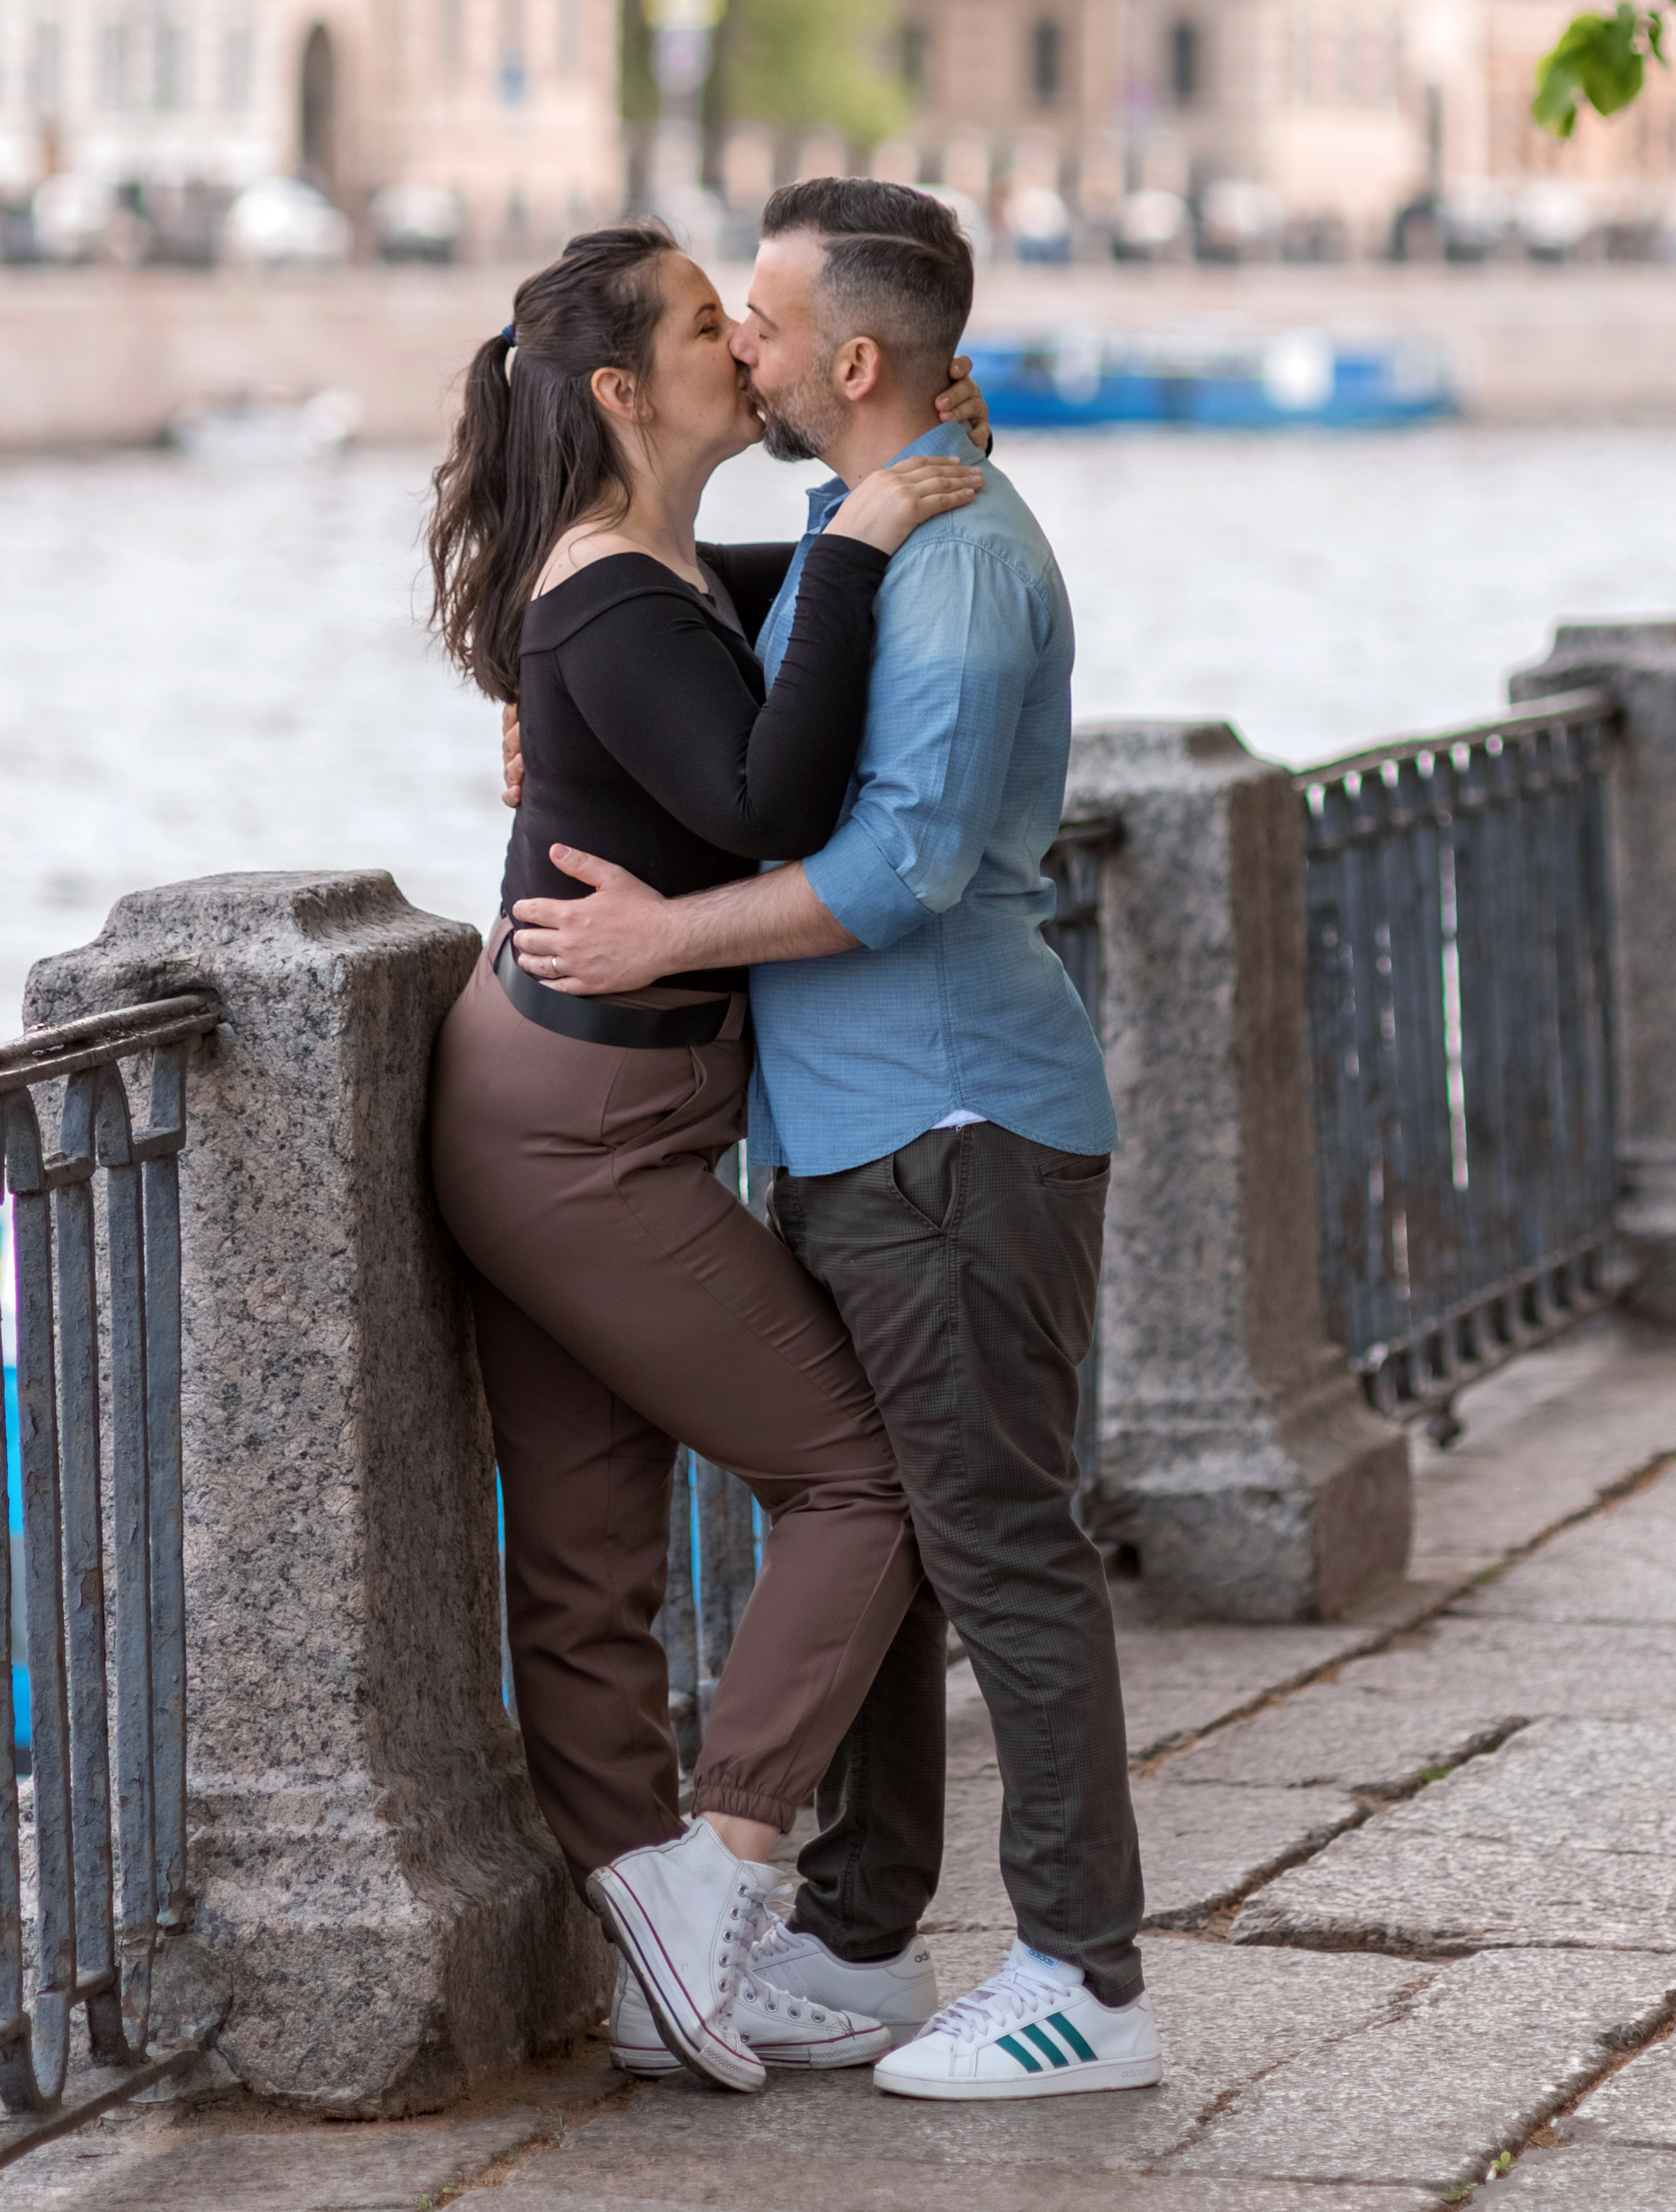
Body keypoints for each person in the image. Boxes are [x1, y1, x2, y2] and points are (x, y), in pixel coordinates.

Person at [507, 178, 1162, 2102]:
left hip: (952, 1122)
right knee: (901, 1542)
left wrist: (658, 940)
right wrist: (549, 710)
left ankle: (1085, 1983)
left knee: (999, 1545)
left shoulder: (950, 563)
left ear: (852, 361)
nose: (743, 346)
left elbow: (898, 868)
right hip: (867, 1130)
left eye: (766, 323)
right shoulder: (865, 522)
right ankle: (861, 1942)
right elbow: (700, 655)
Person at [424, 219, 991, 2098]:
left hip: (586, 1106)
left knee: (589, 1553)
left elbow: (765, 628)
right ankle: (720, 1867)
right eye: (700, 327)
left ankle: (665, 1971)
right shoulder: (605, 596)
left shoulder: (654, 571)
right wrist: (870, 532)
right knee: (864, 1478)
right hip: (574, 1132)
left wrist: (874, 505)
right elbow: (772, 792)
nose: (740, 349)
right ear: (619, 391)